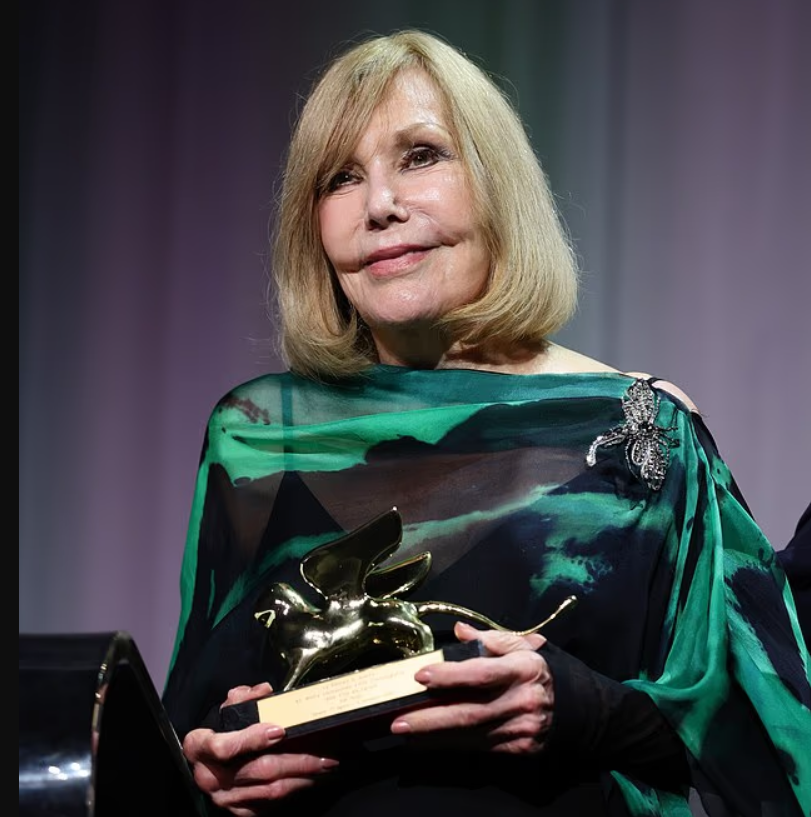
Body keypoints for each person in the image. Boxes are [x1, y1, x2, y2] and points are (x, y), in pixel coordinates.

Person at [161, 29, 811, 817]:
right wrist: (215, 762)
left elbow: (756, 733)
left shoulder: (636, 427)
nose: (380, 206)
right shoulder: (259, 432)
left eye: (421, 155)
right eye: (340, 178)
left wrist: (580, 706)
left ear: (496, 184)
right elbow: (186, 732)